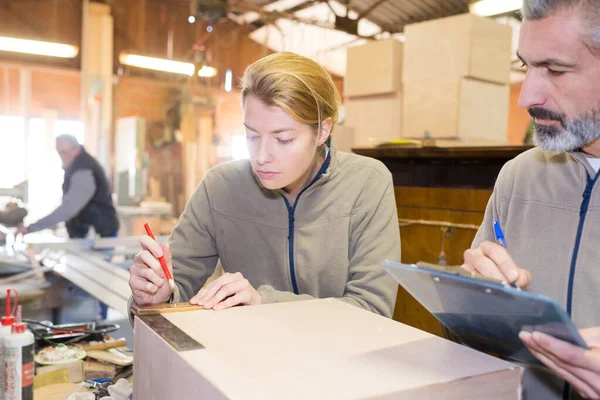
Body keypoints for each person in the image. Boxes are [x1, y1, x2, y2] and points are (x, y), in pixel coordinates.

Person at [129, 52, 400, 318]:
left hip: (340, 359)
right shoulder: (219, 187)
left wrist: (265, 303)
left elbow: (373, 311)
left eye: (283, 139)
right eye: (252, 135)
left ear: (322, 131)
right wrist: (156, 295)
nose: (261, 157)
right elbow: (175, 286)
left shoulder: (367, 183)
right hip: (247, 357)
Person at [462, 1, 600, 399]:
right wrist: (472, 296)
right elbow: (469, 334)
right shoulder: (519, 175)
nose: (527, 97)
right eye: (526, 66)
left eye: (556, 70)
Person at [16, 134, 119, 238]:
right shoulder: (74, 166)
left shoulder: (84, 170)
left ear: (76, 149)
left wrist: (31, 228)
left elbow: (69, 208)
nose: (61, 156)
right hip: (88, 230)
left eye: (64, 152)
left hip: (99, 232)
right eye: (59, 152)